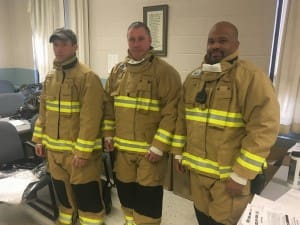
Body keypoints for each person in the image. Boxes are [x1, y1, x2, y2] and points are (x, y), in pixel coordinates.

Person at [172, 21, 280, 225]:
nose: (215, 46)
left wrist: (241, 175)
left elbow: (264, 127)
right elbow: (182, 119)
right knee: (203, 220)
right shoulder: (194, 78)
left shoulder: (250, 77)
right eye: (211, 41)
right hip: (197, 176)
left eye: (222, 41)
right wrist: (178, 152)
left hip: (229, 181)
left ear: (236, 44)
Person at [103, 21, 181, 225]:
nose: (136, 44)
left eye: (140, 39)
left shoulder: (165, 73)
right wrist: (108, 135)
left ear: (150, 41)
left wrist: (158, 147)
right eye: (132, 39)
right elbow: (108, 106)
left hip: (150, 154)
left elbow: (172, 113)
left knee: (147, 203)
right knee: (126, 197)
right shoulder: (117, 72)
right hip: (122, 153)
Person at [32, 28, 106, 225]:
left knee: (86, 197)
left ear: (75, 46)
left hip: (78, 154)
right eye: (56, 44)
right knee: (63, 195)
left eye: (64, 44)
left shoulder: (87, 77)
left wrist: (82, 152)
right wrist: (39, 139)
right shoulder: (50, 77)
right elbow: (43, 112)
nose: (59, 49)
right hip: (55, 153)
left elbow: (91, 119)